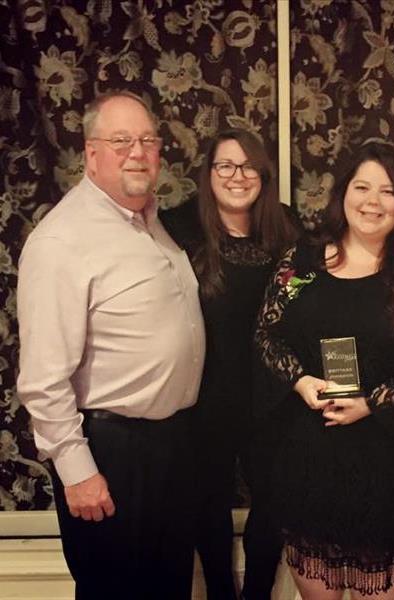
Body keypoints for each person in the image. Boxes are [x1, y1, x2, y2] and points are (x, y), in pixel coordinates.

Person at [254, 142, 394, 598]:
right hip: (310, 456)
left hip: (386, 462)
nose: (372, 201)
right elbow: (267, 334)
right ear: (342, 193)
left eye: (387, 191)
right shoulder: (304, 261)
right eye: (362, 187)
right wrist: (301, 380)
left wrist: (372, 402)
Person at [16, 91, 205, 600]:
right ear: (91, 152)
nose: (137, 152)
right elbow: (42, 376)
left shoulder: (152, 221)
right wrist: (77, 472)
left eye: (147, 140)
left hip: (169, 447)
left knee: (167, 590)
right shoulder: (63, 239)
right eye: (121, 141)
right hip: (111, 453)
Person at [160, 128, 300, 599]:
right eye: (225, 165)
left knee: (276, 502)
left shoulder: (287, 229)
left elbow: (309, 304)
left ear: (264, 175)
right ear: (208, 173)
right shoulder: (176, 228)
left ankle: (257, 593)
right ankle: (221, 592)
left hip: (273, 395)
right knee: (208, 505)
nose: (237, 176)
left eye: (248, 167)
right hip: (205, 395)